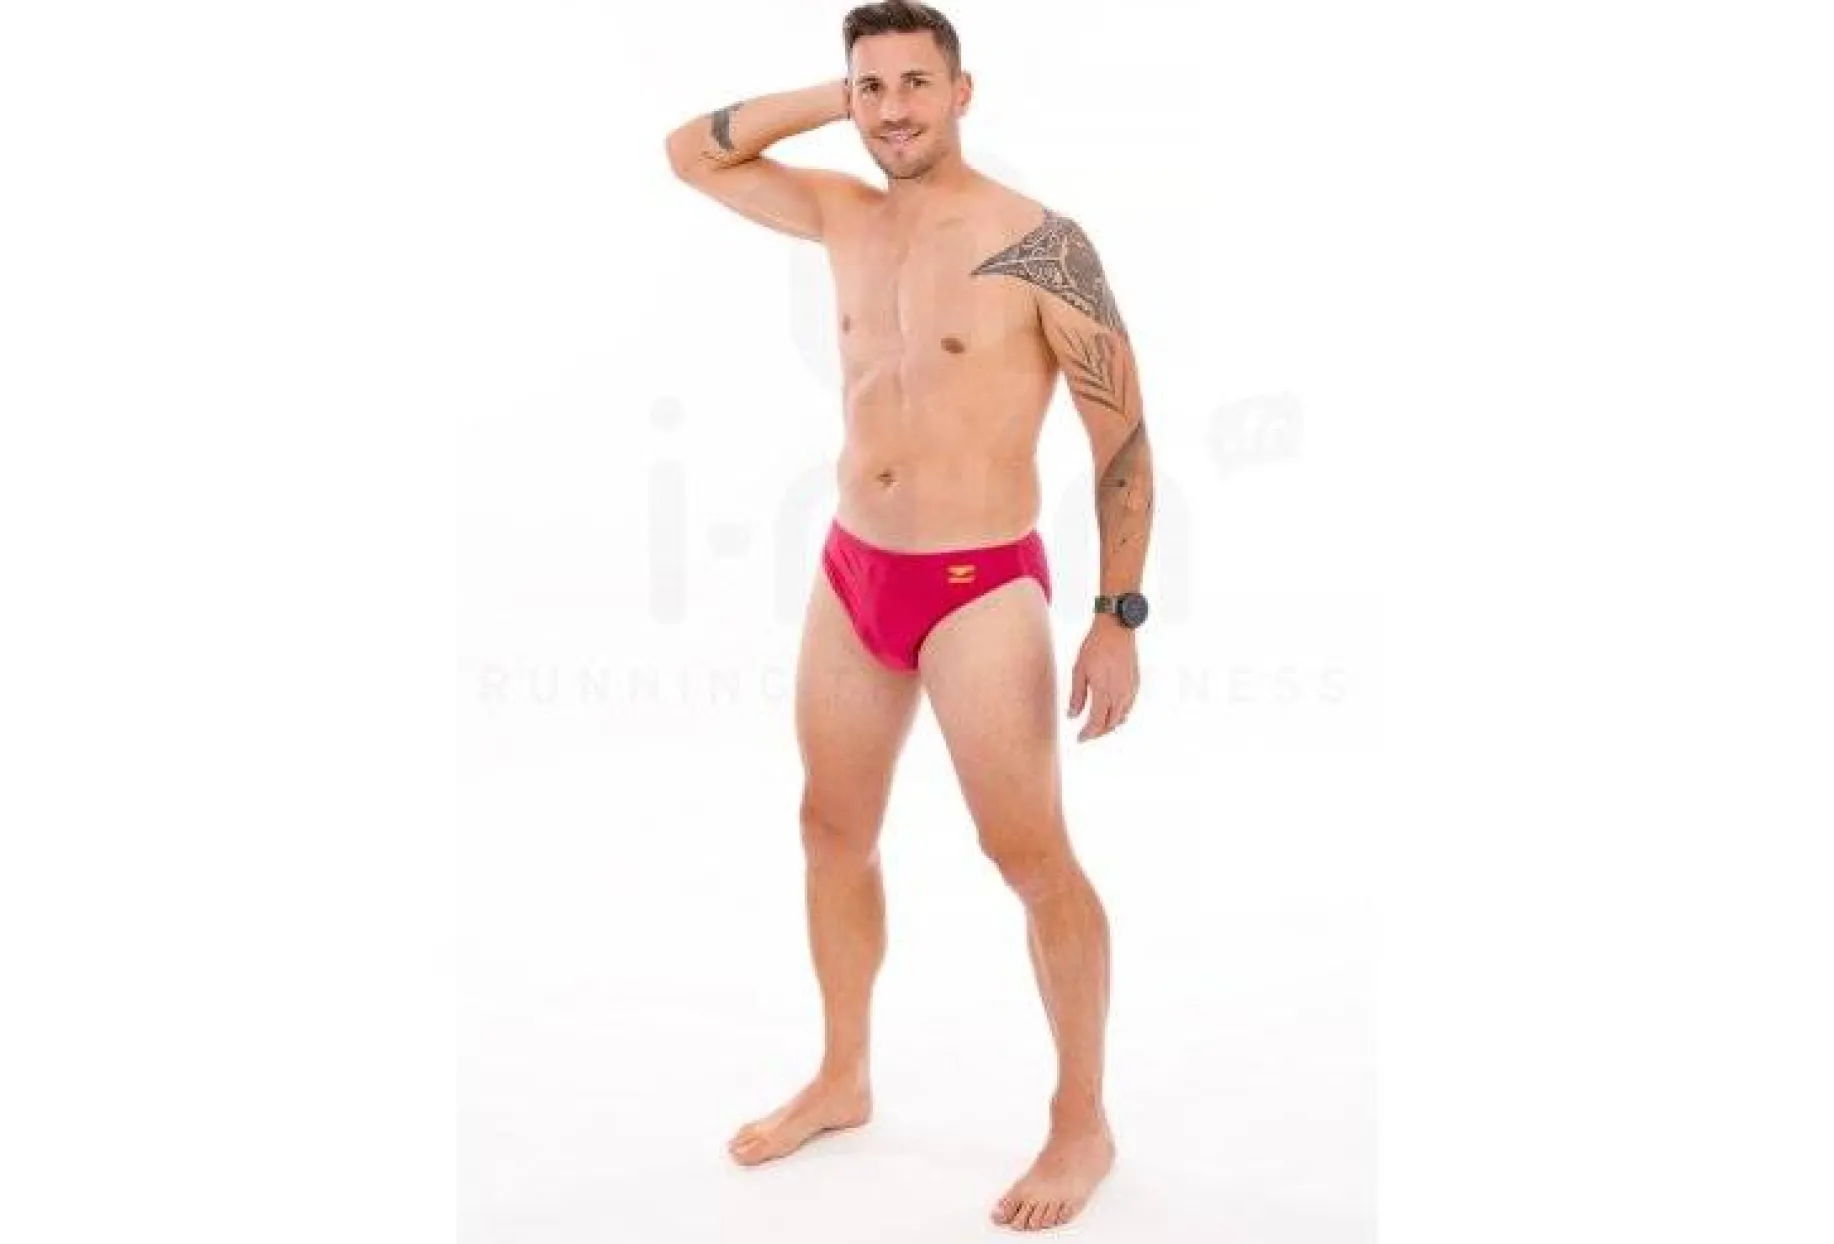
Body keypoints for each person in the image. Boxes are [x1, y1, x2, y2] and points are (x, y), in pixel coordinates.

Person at [664, 1, 1153, 1231]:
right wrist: (833, 104)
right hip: (852, 570)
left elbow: (1121, 440)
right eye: (870, 87)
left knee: (1028, 855)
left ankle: (1081, 1116)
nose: (891, 109)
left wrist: (1116, 616)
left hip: (977, 585)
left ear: (961, 92)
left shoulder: (1038, 245)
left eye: (914, 84)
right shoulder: (840, 212)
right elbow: (690, 153)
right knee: (831, 828)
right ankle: (843, 1075)